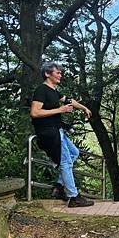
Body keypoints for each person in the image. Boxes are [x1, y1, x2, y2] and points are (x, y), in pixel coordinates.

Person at [30, 61, 94, 208]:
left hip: (57, 130)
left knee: (74, 152)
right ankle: (73, 197)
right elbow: (35, 112)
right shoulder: (41, 90)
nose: (60, 75)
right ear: (47, 74)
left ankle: (59, 187)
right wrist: (60, 110)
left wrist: (83, 108)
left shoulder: (54, 91)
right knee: (65, 162)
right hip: (48, 132)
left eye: (60, 72)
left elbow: (70, 101)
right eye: (57, 72)